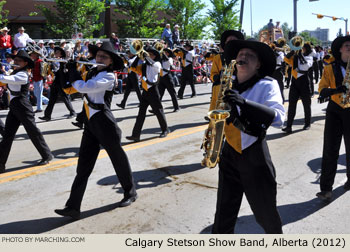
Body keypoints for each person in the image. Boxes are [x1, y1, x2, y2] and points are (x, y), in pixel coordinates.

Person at [54, 42, 137, 219]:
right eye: (98, 56)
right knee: (83, 166)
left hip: (104, 123)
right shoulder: (93, 72)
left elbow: (84, 87)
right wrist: (66, 67)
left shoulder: (108, 76)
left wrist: (75, 73)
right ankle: (73, 206)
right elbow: (70, 88)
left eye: (103, 57)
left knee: (118, 159)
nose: (98, 59)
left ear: (110, 62)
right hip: (90, 123)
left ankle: (130, 193)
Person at [212, 39, 285, 234]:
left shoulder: (267, 84)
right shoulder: (228, 83)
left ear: (258, 64)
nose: (243, 56)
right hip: (228, 154)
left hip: (254, 155)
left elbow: (278, 118)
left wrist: (244, 103)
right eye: (240, 54)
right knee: (223, 215)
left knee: (266, 216)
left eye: (250, 55)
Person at [0, 50, 53, 174]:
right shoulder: (16, 71)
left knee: (33, 131)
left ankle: (46, 155)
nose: (16, 62)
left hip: (22, 105)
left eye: (19, 60)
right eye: (15, 60)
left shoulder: (23, 74)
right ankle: (0, 164)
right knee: (7, 135)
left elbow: (5, 79)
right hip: (14, 105)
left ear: (25, 63)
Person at [316, 36, 350, 201]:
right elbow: (322, 89)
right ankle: (326, 189)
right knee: (330, 149)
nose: (349, 47)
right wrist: (336, 90)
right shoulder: (330, 67)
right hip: (335, 110)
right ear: (340, 49)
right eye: (347, 45)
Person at [125, 46, 170, 142]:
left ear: (155, 56)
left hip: (153, 90)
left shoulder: (157, 63)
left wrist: (146, 56)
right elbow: (132, 68)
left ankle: (165, 129)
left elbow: (154, 66)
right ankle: (135, 135)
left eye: (151, 54)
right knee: (140, 114)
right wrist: (137, 56)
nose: (149, 55)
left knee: (158, 111)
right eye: (148, 53)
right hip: (145, 91)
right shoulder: (144, 65)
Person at [209, 30, 244, 112]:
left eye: (234, 41)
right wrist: (220, 76)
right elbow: (212, 75)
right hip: (220, 91)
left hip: (238, 91)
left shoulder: (243, 56)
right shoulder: (218, 57)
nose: (231, 43)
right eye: (228, 41)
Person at [282, 43, 313, 133]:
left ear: (306, 49)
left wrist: (299, 56)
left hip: (304, 82)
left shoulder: (309, 57)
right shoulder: (294, 57)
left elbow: (305, 66)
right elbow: (286, 59)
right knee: (292, 105)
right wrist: (292, 51)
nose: (301, 49)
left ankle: (307, 123)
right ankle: (288, 126)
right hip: (294, 82)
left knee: (306, 104)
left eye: (302, 48)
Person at [39, 47, 76, 121]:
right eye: (55, 52)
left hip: (62, 82)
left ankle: (72, 112)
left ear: (61, 53)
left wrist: (63, 62)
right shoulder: (53, 61)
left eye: (57, 52)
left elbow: (65, 70)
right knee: (52, 99)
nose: (55, 54)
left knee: (65, 98)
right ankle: (47, 115)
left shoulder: (64, 61)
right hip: (55, 82)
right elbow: (50, 69)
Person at [158, 47, 180, 112]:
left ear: (168, 53)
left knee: (172, 93)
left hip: (167, 77)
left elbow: (168, 60)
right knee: (159, 94)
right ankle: (157, 108)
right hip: (161, 78)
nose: (164, 53)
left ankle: (176, 107)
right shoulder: (160, 59)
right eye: (164, 52)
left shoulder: (170, 59)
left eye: (165, 52)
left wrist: (162, 52)